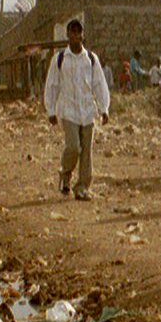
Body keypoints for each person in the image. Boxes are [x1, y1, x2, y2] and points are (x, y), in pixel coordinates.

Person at [43, 18, 110, 200]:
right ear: (68, 35)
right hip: (69, 111)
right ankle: (65, 173)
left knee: (86, 151)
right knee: (73, 147)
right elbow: (52, 85)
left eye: (79, 32)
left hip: (88, 111)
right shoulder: (60, 59)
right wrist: (50, 110)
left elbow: (99, 84)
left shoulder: (91, 59)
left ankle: (82, 187)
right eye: (72, 32)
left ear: (83, 35)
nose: (76, 36)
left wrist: (104, 108)